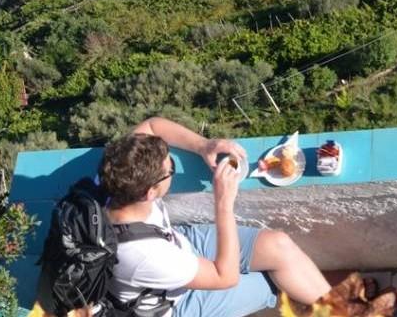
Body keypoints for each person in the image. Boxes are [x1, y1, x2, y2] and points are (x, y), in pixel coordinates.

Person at [97, 116, 331, 317]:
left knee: (278, 246)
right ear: (149, 193)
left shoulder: (117, 175)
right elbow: (225, 276)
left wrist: (203, 145)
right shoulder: (145, 255)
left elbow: (152, 125)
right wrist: (223, 202)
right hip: (172, 302)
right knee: (268, 283)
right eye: (170, 171)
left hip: (178, 244)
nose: (171, 172)